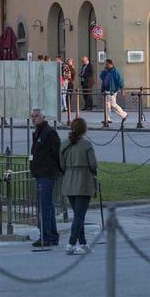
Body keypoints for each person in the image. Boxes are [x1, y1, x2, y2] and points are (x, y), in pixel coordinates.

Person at [60, 117, 98, 254]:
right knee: (79, 215)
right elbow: (93, 164)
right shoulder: (86, 145)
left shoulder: (64, 144)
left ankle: (83, 243)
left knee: (78, 214)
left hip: (69, 181)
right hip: (83, 181)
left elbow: (62, 165)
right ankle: (71, 243)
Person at [30, 108, 61, 247]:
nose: (34, 118)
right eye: (32, 116)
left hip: (46, 174)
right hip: (40, 174)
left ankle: (46, 236)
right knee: (48, 206)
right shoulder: (37, 132)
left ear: (43, 117)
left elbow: (57, 153)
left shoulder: (49, 133)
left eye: (36, 116)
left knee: (45, 208)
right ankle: (52, 235)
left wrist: (54, 170)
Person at [99, 59, 127, 123]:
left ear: (111, 64)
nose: (106, 65)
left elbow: (119, 80)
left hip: (112, 90)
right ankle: (107, 118)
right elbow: (101, 77)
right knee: (107, 105)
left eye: (107, 64)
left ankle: (124, 114)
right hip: (106, 90)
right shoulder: (106, 71)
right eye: (105, 64)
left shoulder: (115, 71)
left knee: (113, 104)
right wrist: (104, 70)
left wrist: (122, 89)